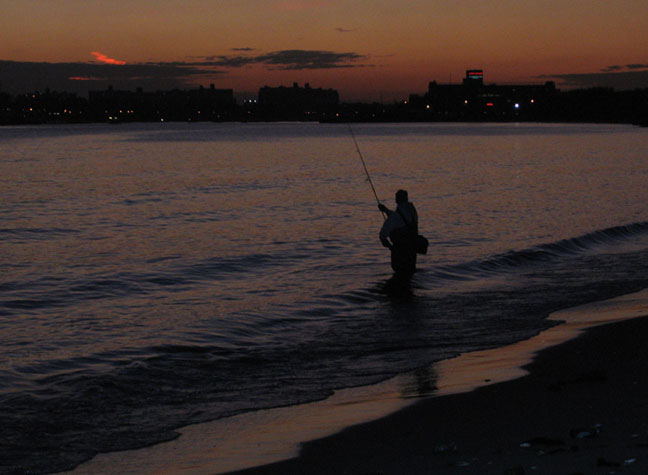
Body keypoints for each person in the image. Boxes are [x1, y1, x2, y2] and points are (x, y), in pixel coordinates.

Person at [378, 189, 419, 276]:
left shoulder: (395, 218)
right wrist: (386, 210)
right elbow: (401, 219)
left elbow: (382, 235)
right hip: (412, 250)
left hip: (400, 253)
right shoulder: (412, 211)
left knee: (400, 275)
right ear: (406, 199)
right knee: (410, 274)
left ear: (396, 200)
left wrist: (390, 247)